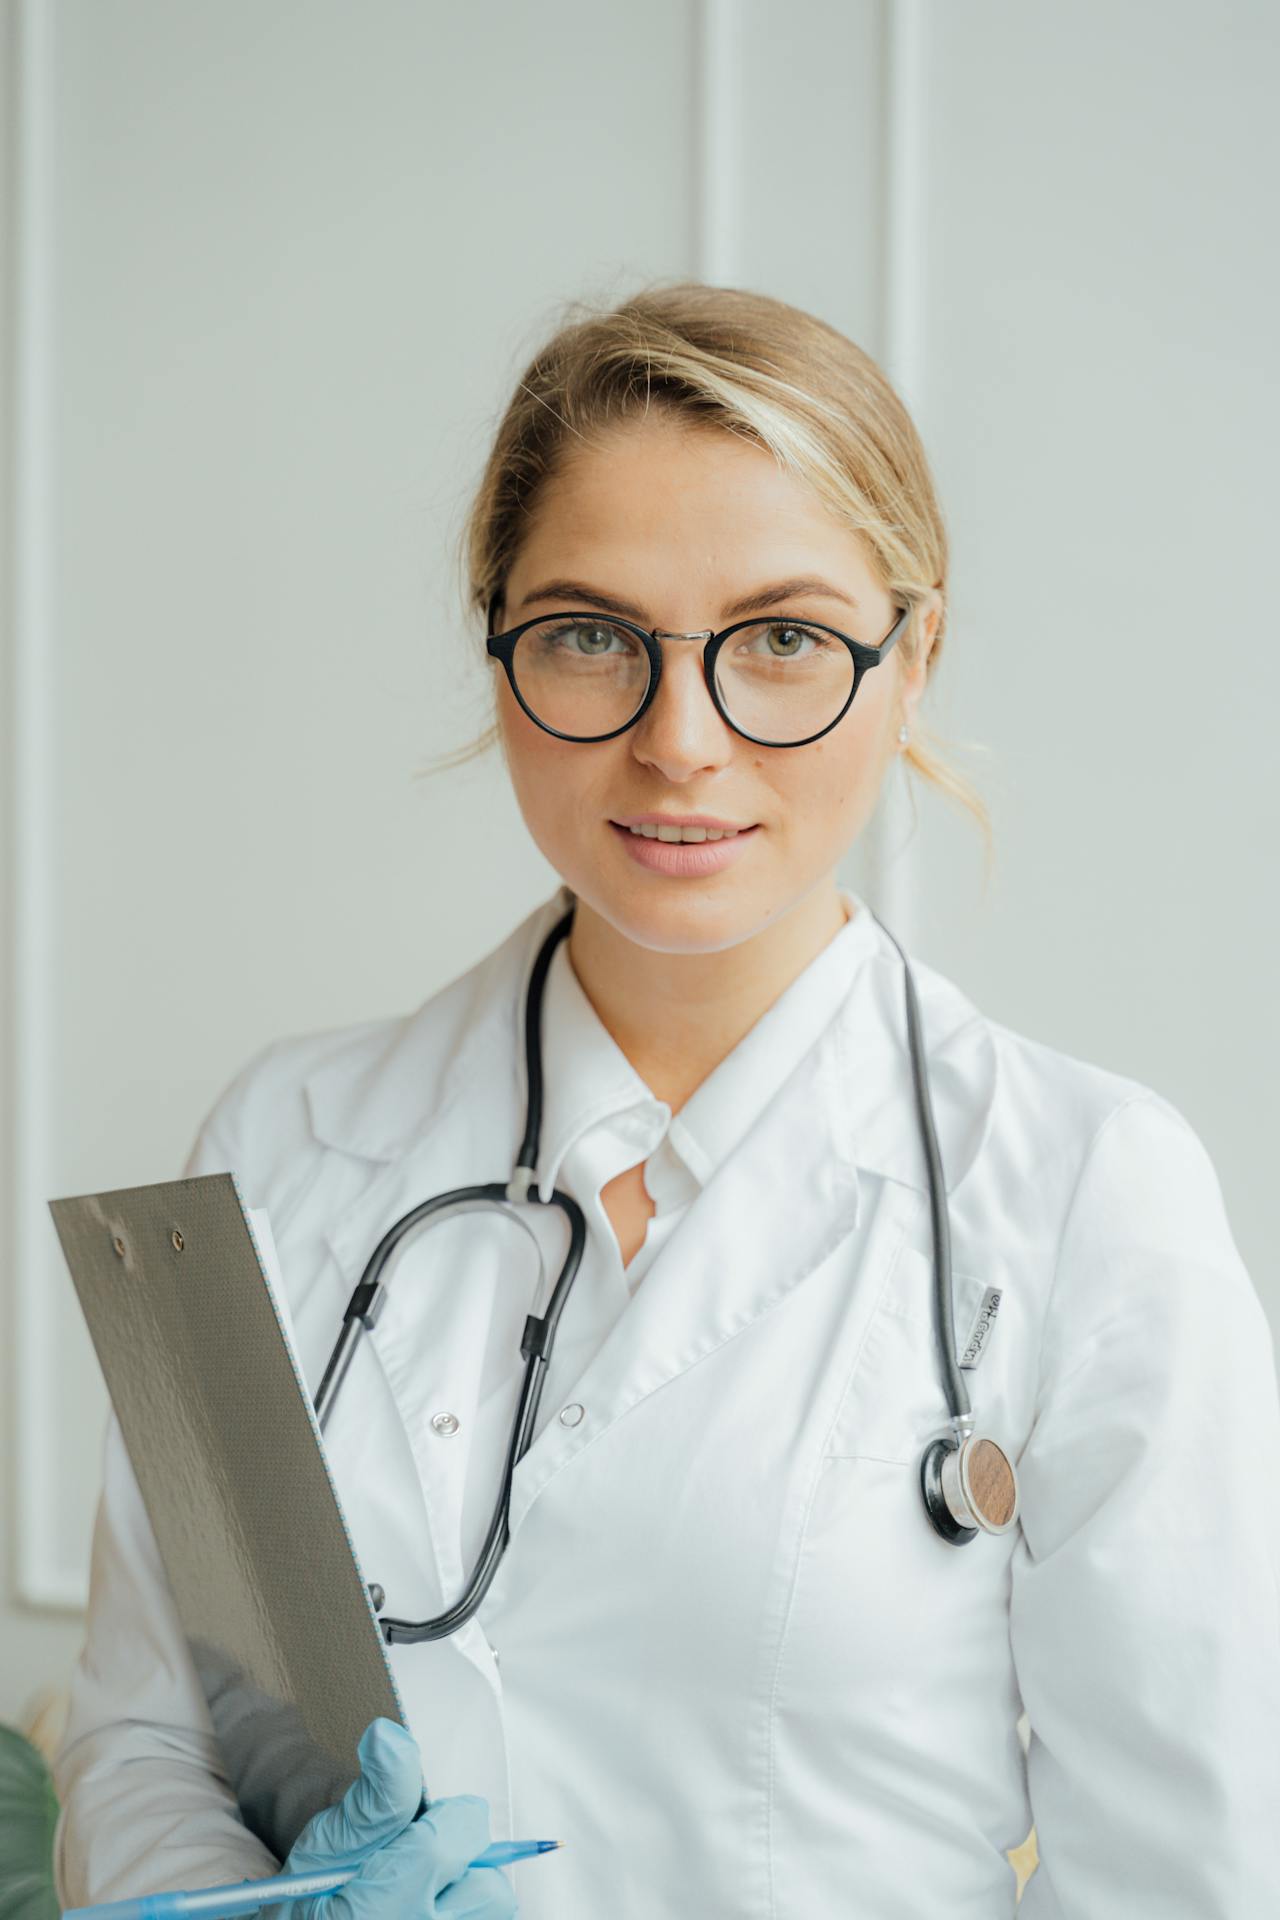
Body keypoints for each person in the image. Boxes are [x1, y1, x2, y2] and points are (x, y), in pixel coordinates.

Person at [53, 282, 1280, 1918]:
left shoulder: (1087, 1196)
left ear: (912, 658)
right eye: (590, 636)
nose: (680, 741)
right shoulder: (283, 1142)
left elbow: (1184, 1882)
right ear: (498, 648)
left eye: (781, 640)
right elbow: (146, 1746)